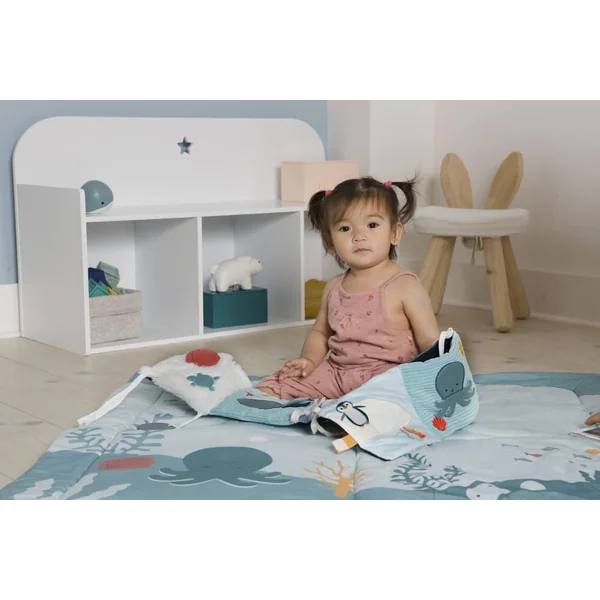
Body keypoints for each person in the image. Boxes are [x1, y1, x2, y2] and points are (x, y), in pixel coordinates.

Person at [256, 175, 440, 401]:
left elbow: (430, 340)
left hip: (388, 375)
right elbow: (320, 333)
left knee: (394, 397)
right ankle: (337, 406)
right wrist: (309, 361)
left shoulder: (405, 286)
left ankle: (355, 410)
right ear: (329, 243)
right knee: (276, 385)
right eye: (345, 228)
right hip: (338, 373)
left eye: (372, 225)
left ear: (394, 233)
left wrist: (435, 376)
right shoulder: (334, 287)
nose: (359, 236)